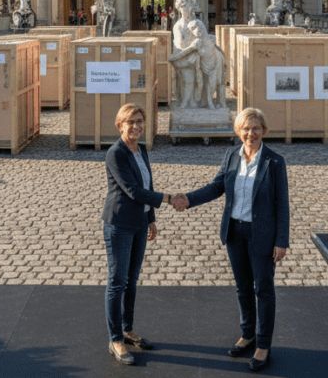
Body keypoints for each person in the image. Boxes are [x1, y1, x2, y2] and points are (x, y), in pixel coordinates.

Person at [178, 107, 289, 372]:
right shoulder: (231, 155)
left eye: (256, 128)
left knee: (263, 289)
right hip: (234, 233)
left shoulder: (274, 162)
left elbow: (282, 205)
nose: (251, 133)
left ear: (264, 130)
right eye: (246, 129)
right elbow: (217, 187)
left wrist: (281, 241)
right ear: (239, 131)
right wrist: (188, 199)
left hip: (261, 235)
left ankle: (263, 344)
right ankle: (247, 333)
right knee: (242, 287)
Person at [101, 103, 177, 366]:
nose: (136, 126)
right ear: (120, 124)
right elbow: (133, 190)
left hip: (140, 223)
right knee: (117, 282)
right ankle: (115, 340)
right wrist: (168, 199)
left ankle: (127, 329)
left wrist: (151, 218)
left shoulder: (141, 150)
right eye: (130, 122)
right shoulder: (116, 154)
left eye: (139, 121)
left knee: (132, 281)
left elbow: (148, 184)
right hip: (119, 224)